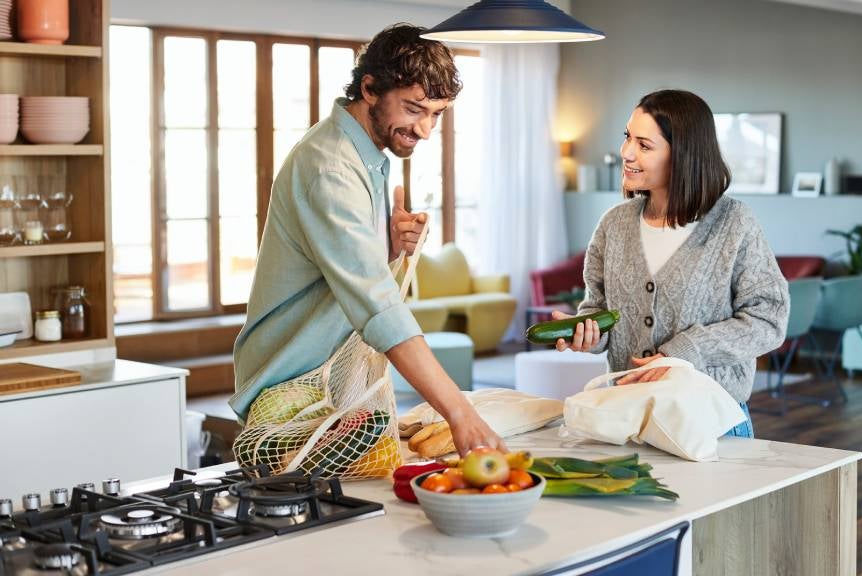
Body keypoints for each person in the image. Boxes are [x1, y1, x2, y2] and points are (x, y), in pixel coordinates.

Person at [230, 24, 504, 455]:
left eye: (437, 114)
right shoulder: (332, 167)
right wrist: (461, 413)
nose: (426, 130)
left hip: (334, 385)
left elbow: (344, 268)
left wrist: (388, 246)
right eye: (415, 109)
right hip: (290, 388)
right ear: (371, 88)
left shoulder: (367, 151)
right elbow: (378, 305)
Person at [552, 89, 789, 438]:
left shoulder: (734, 224)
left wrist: (686, 350)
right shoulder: (613, 225)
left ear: (683, 155)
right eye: (628, 137)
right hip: (628, 419)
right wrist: (587, 332)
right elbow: (600, 308)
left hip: (712, 423)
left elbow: (768, 320)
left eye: (645, 145)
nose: (627, 153)